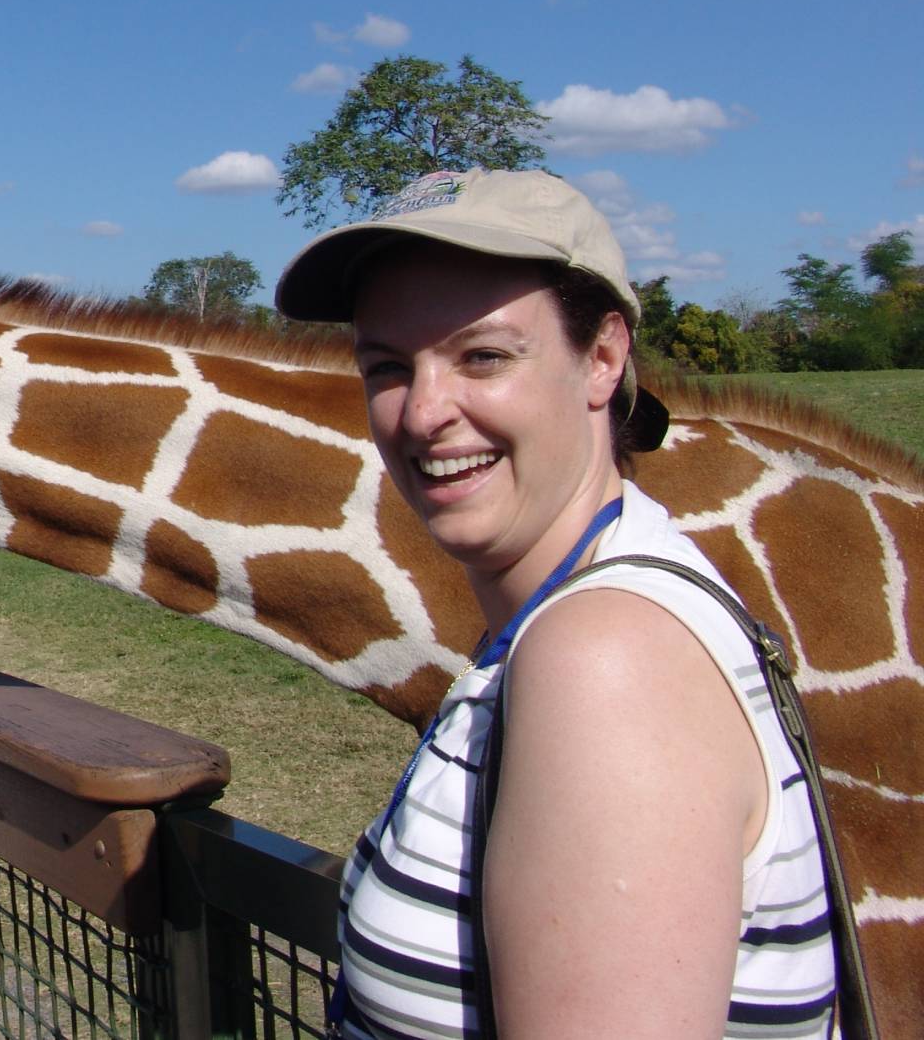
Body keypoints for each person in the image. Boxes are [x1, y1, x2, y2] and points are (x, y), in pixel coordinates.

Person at [274, 169, 838, 1040]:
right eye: (388, 367)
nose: (422, 413)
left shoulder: (607, 662)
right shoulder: (568, 614)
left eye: (484, 356)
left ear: (603, 359)